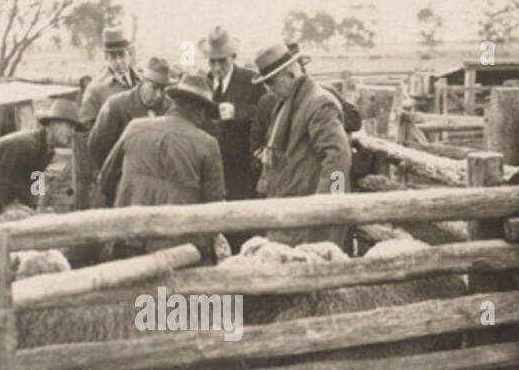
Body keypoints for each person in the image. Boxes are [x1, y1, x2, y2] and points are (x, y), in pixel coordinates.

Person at [98, 73, 226, 257]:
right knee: (162, 286)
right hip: (173, 249)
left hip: (127, 238)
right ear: (201, 111)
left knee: (129, 285)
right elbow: (214, 207)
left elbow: (105, 180)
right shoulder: (207, 144)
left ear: (174, 102)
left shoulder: (135, 127)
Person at [250, 41, 352, 249]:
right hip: (290, 215)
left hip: (310, 220)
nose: (269, 91)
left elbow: (339, 157)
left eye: (272, 83)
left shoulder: (318, 103)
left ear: (290, 74)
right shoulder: (286, 105)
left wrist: (329, 202)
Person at [0, 98, 82, 226]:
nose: (72, 133)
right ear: (54, 124)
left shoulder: (47, 151)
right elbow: (2, 182)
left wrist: (37, 210)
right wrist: (0, 215)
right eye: (70, 126)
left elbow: (35, 181)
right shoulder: (27, 145)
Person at [202, 26, 263, 203]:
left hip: (242, 170)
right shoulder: (203, 84)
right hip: (211, 169)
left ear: (233, 57)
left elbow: (267, 114)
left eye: (222, 61)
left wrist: (238, 112)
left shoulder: (251, 81)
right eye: (212, 62)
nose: (217, 67)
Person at [87, 57, 174, 177]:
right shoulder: (115, 106)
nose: (159, 95)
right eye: (154, 88)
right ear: (143, 82)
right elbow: (97, 147)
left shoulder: (170, 108)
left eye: (163, 89)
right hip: (124, 180)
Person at [78, 27, 141, 128]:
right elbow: (85, 127)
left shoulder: (142, 81)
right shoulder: (95, 89)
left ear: (129, 54)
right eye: (113, 56)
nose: (118, 61)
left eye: (121, 55)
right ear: (106, 57)